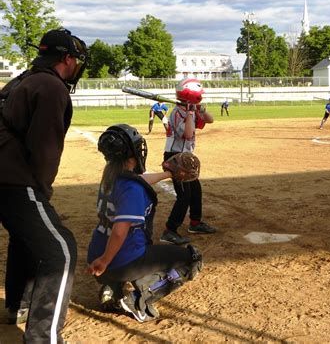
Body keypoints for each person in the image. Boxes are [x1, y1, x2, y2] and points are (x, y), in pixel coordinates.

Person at [0, 28, 87, 342]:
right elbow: (45, 149)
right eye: (75, 60)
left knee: (25, 238)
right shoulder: (51, 86)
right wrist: (41, 190)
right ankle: (42, 338)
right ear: (66, 59)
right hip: (12, 180)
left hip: (4, 177)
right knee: (60, 252)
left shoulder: (23, 79)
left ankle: (16, 306)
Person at [87, 124, 202, 322]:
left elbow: (139, 180)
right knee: (192, 259)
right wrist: (105, 261)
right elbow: (119, 232)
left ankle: (111, 289)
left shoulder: (110, 178)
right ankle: (138, 299)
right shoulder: (131, 188)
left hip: (96, 258)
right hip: (113, 262)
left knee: (136, 250)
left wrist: (169, 174)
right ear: (130, 153)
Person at [160, 78, 217, 245]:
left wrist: (199, 109)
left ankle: (195, 223)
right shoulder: (177, 113)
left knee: (196, 192)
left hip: (186, 158)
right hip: (175, 157)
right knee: (184, 196)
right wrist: (191, 113)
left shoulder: (190, 109)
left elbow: (210, 119)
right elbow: (188, 134)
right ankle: (169, 230)